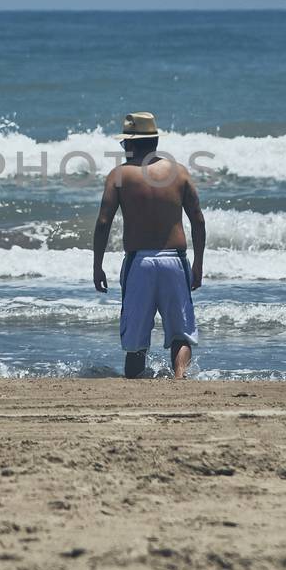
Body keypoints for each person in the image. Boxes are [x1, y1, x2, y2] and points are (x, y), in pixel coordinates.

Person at [91, 111, 205, 379]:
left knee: (135, 342)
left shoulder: (119, 175)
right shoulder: (180, 173)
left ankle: (134, 383)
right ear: (154, 141)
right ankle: (179, 378)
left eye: (124, 144)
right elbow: (198, 221)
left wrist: (97, 266)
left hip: (139, 263)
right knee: (181, 333)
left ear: (131, 145)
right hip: (175, 261)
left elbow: (103, 221)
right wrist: (198, 264)